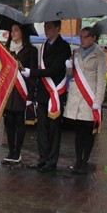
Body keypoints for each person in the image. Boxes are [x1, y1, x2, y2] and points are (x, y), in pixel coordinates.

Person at [24, 20, 71, 173]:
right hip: (44, 92)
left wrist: (33, 72)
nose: (46, 30)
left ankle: (52, 161)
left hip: (56, 92)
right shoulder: (44, 45)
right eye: (45, 27)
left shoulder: (64, 46)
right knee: (42, 128)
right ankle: (42, 159)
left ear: (58, 28)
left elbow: (55, 70)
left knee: (54, 129)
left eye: (49, 27)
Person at [64, 27, 107, 175]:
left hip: (90, 97)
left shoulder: (100, 55)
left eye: (85, 37)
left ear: (93, 38)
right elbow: (71, 74)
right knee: (78, 131)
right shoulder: (75, 53)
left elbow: (101, 80)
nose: (81, 39)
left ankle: (85, 161)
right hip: (77, 97)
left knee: (88, 131)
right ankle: (77, 159)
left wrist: (98, 101)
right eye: (80, 37)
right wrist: (68, 67)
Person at [2, 23, 38, 164]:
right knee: (8, 121)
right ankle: (10, 151)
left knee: (19, 122)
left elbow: (33, 74)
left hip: (22, 92)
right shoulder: (6, 49)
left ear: (23, 32)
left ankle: (17, 152)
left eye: (16, 30)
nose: (13, 33)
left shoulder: (31, 50)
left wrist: (30, 96)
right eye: (11, 30)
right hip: (9, 91)